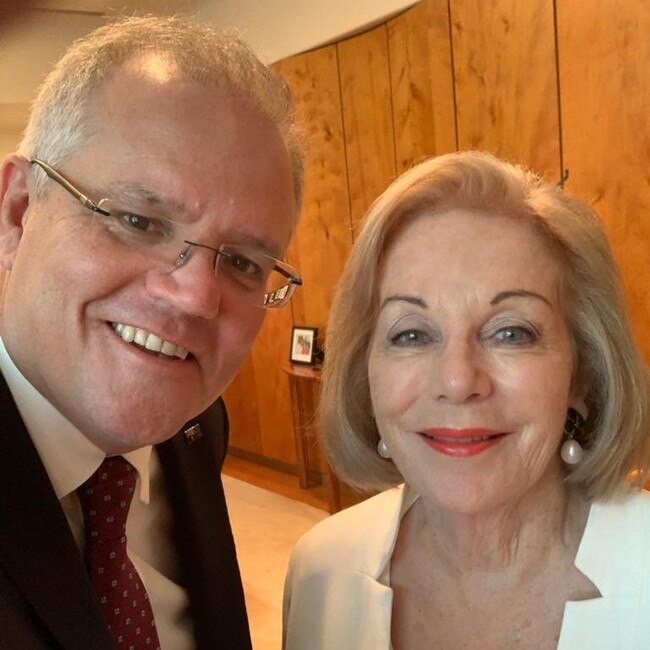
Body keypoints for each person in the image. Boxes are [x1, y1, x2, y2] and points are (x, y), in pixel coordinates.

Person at [0, 15, 304, 650]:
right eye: (137, 219)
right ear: (19, 212)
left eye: (244, 263)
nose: (196, 296)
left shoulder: (196, 428)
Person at [283, 151, 650, 649]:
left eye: (511, 333)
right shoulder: (318, 575)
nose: (457, 381)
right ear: (364, 371)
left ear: (583, 373)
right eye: (411, 335)